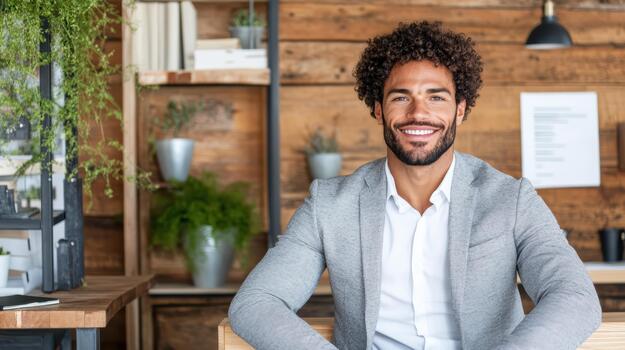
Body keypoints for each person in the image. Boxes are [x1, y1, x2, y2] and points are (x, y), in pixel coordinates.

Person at [228, 21, 601, 350]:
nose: (418, 113)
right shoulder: (329, 205)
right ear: (378, 109)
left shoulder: (511, 199)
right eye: (400, 97)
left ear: (460, 108)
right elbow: (257, 302)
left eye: (436, 97)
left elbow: (575, 298)